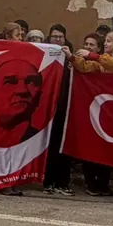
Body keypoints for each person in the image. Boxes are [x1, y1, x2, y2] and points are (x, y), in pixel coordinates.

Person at [71, 31, 113, 203]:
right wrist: (71, 57)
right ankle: (104, 184)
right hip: (107, 109)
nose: (105, 43)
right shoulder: (101, 60)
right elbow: (86, 67)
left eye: (109, 41)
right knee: (108, 145)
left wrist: (93, 55)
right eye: (105, 41)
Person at [43, 24, 75, 197]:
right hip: (48, 111)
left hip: (67, 110)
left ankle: (63, 183)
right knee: (50, 147)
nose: (57, 39)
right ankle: (48, 182)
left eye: (60, 37)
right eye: (54, 36)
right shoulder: (44, 56)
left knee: (64, 149)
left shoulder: (71, 59)